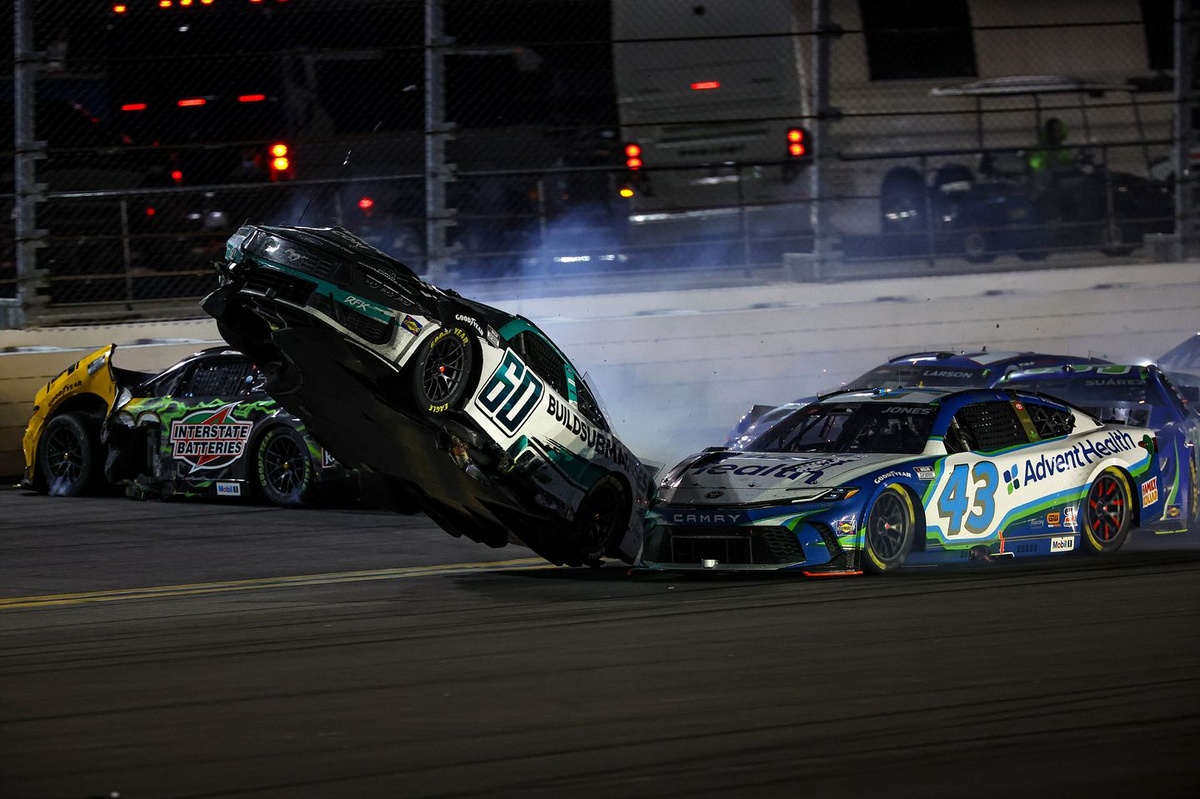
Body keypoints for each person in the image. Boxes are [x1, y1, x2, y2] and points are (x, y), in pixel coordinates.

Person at [1027, 117, 1076, 183]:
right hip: (1045, 178)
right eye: (1052, 132)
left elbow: (1068, 163)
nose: (1055, 134)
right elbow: (1035, 164)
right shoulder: (1039, 149)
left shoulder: (1063, 150)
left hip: (1061, 176)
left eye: (1058, 131)